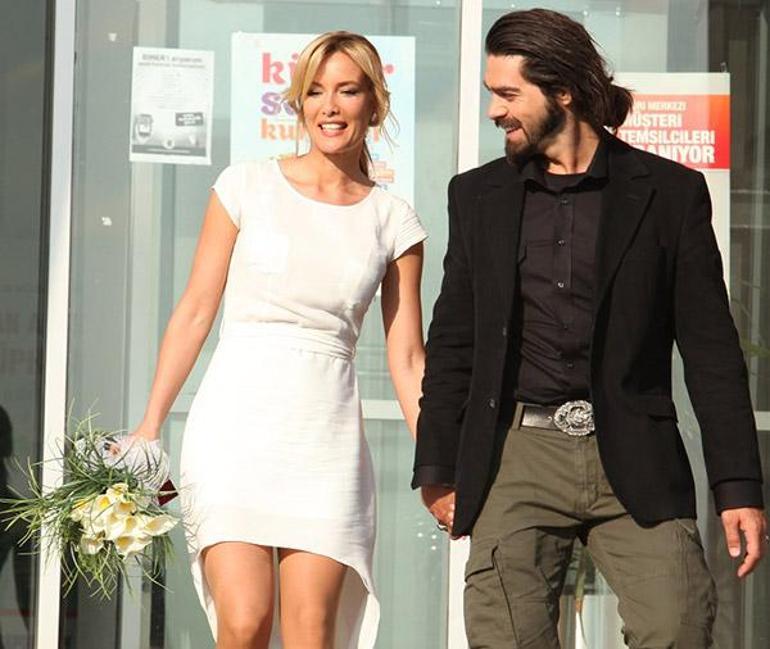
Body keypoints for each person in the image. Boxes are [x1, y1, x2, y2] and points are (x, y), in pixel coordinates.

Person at [413, 8, 766, 648]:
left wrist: (737, 486)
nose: (494, 111)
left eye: (508, 94)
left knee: (678, 628)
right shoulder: (477, 196)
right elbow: (455, 340)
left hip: (634, 451)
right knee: (505, 637)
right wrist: (437, 463)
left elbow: (712, 350)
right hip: (516, 455)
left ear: (563, 91)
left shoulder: (669, 193)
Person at [129, 31, 427, 649]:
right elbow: (195, 310)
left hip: (326, 441)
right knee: (244, 622)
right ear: (298, 103)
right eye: (315, 92)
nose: (330, 106)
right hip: (233, 430)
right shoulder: (244, 185)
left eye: (347, 91)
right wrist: (150, 426)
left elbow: (406, 357)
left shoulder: (393, 219)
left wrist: (438, 464)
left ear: (374, 103)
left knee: (311, 632)